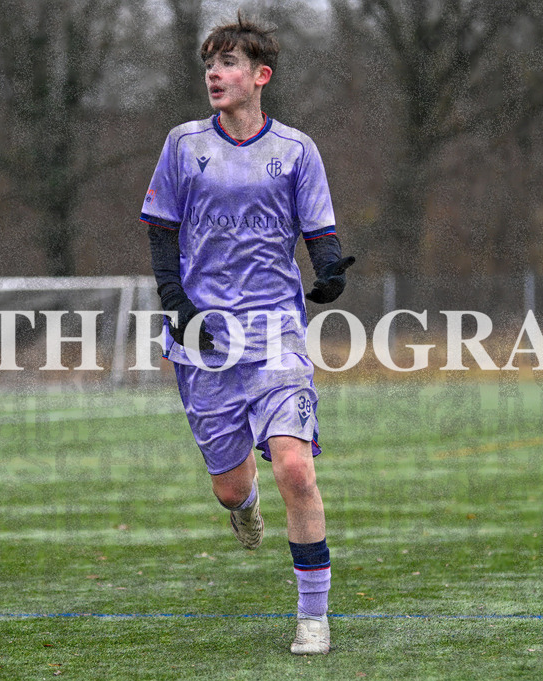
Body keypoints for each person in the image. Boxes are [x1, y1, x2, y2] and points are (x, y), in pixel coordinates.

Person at [140, 12, 354, 655]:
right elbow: (161, 227)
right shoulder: (183, 145)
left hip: (276, 331)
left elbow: (320, 233)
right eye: (210, 62)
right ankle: (243, 503)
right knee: (231, 486)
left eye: (229, 63)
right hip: (203, 337)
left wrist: (331, 272)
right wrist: (175, 300)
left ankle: (312, 616)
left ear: (261, 77)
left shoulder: (296, 150)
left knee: (295, 466)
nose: (215, 72)